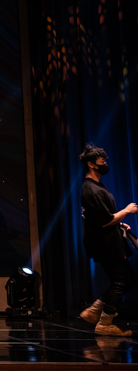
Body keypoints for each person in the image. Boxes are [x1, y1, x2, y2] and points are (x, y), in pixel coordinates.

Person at [78, 143, 136, 337]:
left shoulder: (96, 187)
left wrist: (119, 224)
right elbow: (104, 221)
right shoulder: (90, 189)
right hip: (105, 244)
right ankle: (104, 322)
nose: (105, 164)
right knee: (121, 281)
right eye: (102, 161)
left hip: (109, 241)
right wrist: (126, 211)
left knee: (126, 280)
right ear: (91, 164)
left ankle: (95, 311)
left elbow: (103, 218)